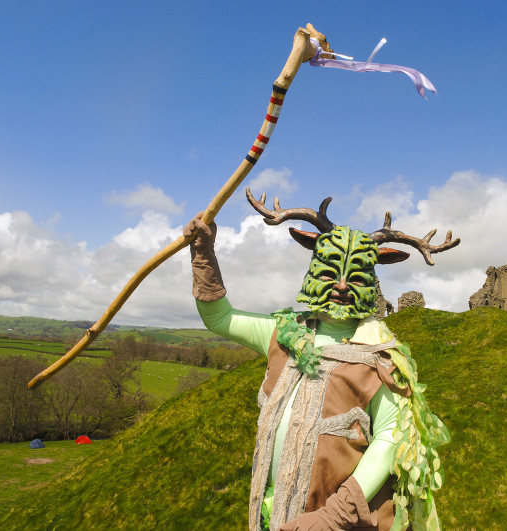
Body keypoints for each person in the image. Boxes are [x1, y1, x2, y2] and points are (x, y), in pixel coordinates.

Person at [185, 192, 456, 531]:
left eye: (356, 277)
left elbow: (390, 437)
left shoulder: (382, 357)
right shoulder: (283, 334)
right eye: (330, 273)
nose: (342, 286)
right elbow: (219, 318)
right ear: (314, 270)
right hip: (273, 514)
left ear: (371, 281)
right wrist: (203, 254)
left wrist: (335, 515)